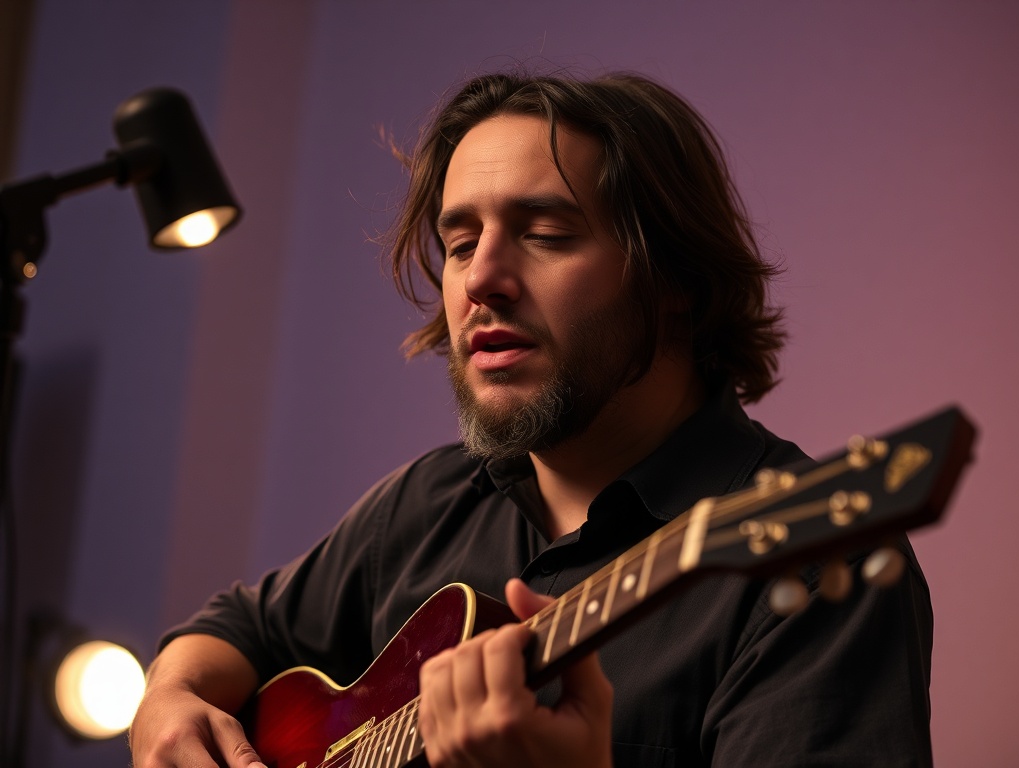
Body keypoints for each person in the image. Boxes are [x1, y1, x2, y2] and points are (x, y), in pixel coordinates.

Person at [129, 70, 933, 767]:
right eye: (459, 242)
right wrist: (170, 696)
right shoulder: (425, 506)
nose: (482, 279)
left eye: (545, 234)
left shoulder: (819, 564)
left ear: (675, 279)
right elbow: (238, 625)